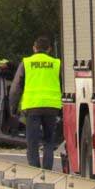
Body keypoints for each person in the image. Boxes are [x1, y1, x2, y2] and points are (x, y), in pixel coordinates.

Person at [10, 36, 62, 170]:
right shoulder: (56, 63)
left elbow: (16, 87)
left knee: (32, 141)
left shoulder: (26, 63)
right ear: (49, 49)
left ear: (34, 48)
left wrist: (13, 107)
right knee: (49, 140)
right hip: (51, 107)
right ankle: (47, 169)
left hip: (32, 107)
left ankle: (34, 169)